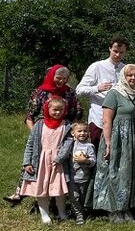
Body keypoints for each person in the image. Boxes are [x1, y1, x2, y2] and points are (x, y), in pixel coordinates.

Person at [5, 64, 82, 206]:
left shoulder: (70, 93)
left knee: (61, 162)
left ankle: (60, 195)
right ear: (52, 76)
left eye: (64, 79)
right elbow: (29, 116)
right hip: (42, 130)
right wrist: (35, 133)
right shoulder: (40, 92)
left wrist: (71, 131)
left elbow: (76, 114)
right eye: (58, 78)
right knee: (33, 160)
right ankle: (19, 192)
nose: (61, 81)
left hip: (63, 132)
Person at [93, 64, 135, 223]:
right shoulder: (114, 93)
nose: (133, 78)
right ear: (124, 76)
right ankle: (114, 210)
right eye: (129, 75)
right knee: (115, 172)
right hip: (117, 139)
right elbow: (106, 121)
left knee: (130, 173)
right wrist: (108, 142)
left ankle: (127, 208)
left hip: (134, 139)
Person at [20, 98, 74, 224]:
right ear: (47, 109)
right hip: (41, 160)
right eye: (55, 110)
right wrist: (27, 162)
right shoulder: (39, 125)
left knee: (59, 188)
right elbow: (30, 144)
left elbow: (68, 143)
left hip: (58, 162)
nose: (57, 113)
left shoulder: (66, 125)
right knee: (42, 188)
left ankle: (62, 212)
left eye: (61, 110)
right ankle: (45, 214)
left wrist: (60, 158)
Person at [76, 36, 128, 148]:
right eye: (115, 51)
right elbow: (79, 90)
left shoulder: (126, 69)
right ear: (109, 49)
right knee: (96, 153)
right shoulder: (97, 67)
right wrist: (97, 88)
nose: (118, 55)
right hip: (98, 120)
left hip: (119, 120)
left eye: (121, 52)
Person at [67, 121, 96, 224]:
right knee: (74, 197)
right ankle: (78, 215)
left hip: (84, 178)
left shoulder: (89, 146)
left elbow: (93, 161)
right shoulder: (70, 146)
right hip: (72, 178)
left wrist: (86, 161)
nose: (82, 133)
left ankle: (85, 211)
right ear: (73, 133)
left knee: (84, 197)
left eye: (85, 131)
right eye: (79, 131)